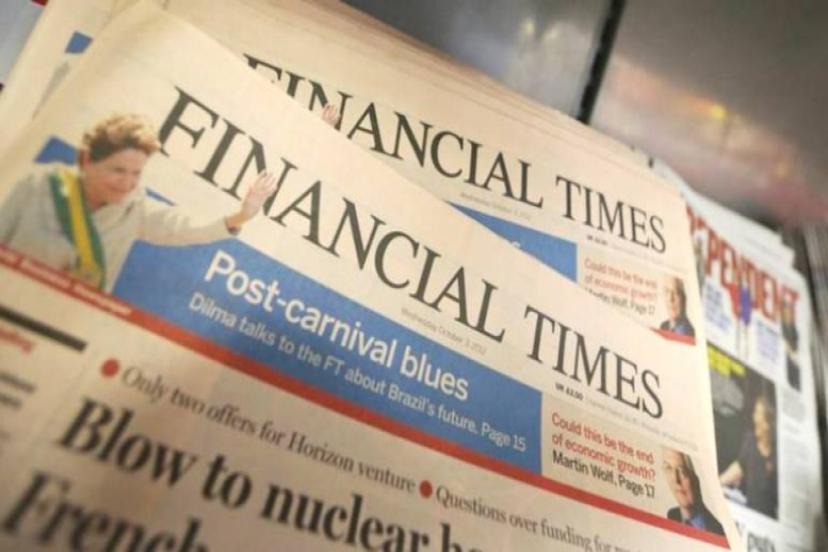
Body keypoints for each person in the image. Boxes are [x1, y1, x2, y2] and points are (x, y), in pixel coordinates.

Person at [0, 113, 277, 291]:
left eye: (136, 173)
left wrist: (242, 215)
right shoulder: (37, 184)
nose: (127, 183)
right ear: (86, 160)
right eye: (118, 170)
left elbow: (182, 228)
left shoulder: (134, 208)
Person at [719, 394, 778, 518]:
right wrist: (717, 483)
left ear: (769, 425)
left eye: (759, 414)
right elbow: (739, 467)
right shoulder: (750, 441)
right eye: (755, 413)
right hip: (750, 512)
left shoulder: (777, 455)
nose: (754, 418)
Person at [662, 447, 725, 536]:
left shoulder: (719, 532)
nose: (676, 480)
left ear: (696, 480)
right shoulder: (672, 516)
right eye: (669, 468)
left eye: (682, 471)